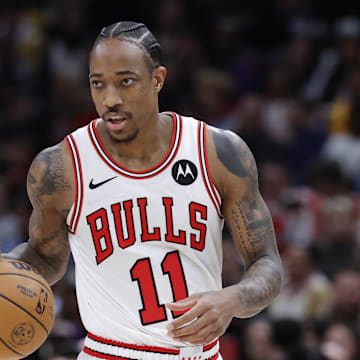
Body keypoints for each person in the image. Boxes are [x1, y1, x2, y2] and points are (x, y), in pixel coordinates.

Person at [1, 21, 282, 360]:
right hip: (108, 352)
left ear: (157, 79)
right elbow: (44, 257)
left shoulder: (217, 153)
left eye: (125, 82)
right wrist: (8, 269)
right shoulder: (61, 167)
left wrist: (233, 299)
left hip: (198, 355)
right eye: (98, 84)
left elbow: (266, 262)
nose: (110, 98)